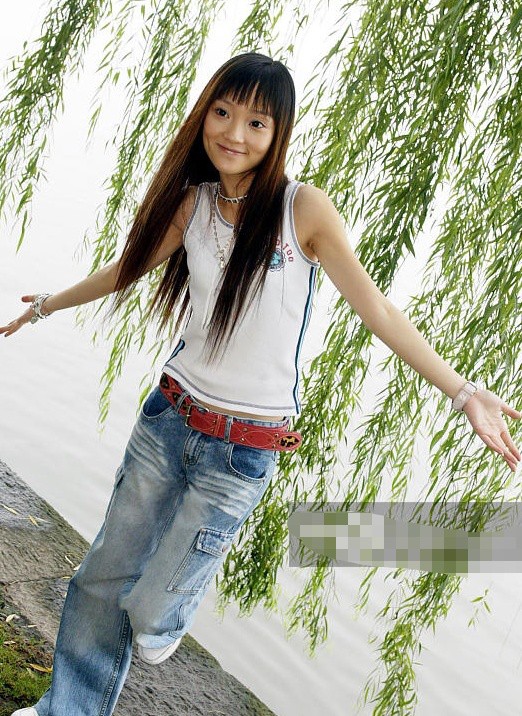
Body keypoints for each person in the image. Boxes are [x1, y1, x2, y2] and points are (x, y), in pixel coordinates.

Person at [1, 52, 520, 716]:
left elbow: (379, 311)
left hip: (242, 449)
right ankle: (65, 711)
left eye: (256, 122)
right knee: (103, 575)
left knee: (151, 612)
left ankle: (167, 615)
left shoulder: (302, 209)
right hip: (169, 420)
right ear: (204, 115)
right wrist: (48, 303)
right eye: (222, 112)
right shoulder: (193, 204)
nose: (234, 134)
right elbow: (124, 269)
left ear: (279, 134)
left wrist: (464, 392)